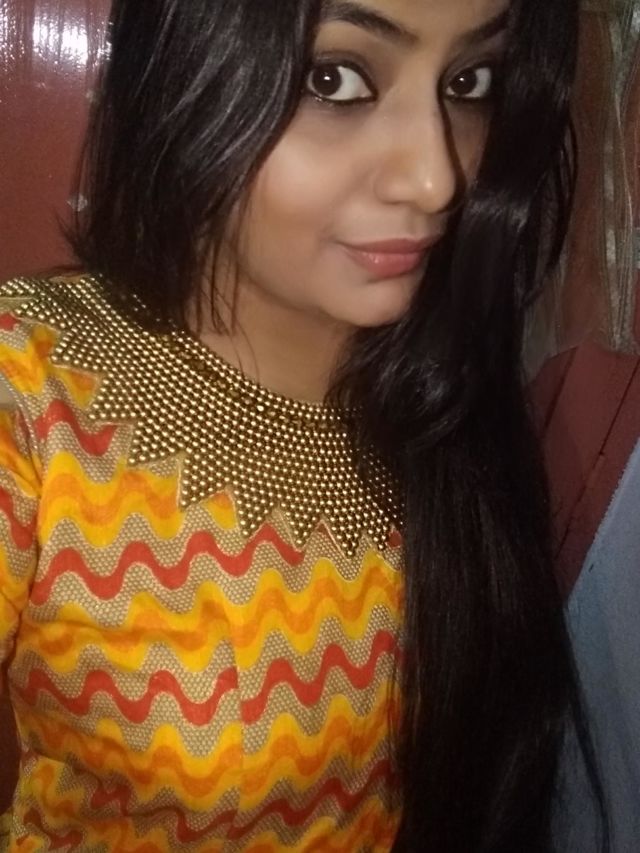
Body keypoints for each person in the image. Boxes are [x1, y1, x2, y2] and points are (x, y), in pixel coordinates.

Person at [0, 0, 606, 850]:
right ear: (186, 64)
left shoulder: (450, 392)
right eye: (337, 79)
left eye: (470, 82)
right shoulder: (34, 388)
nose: (435, 179)